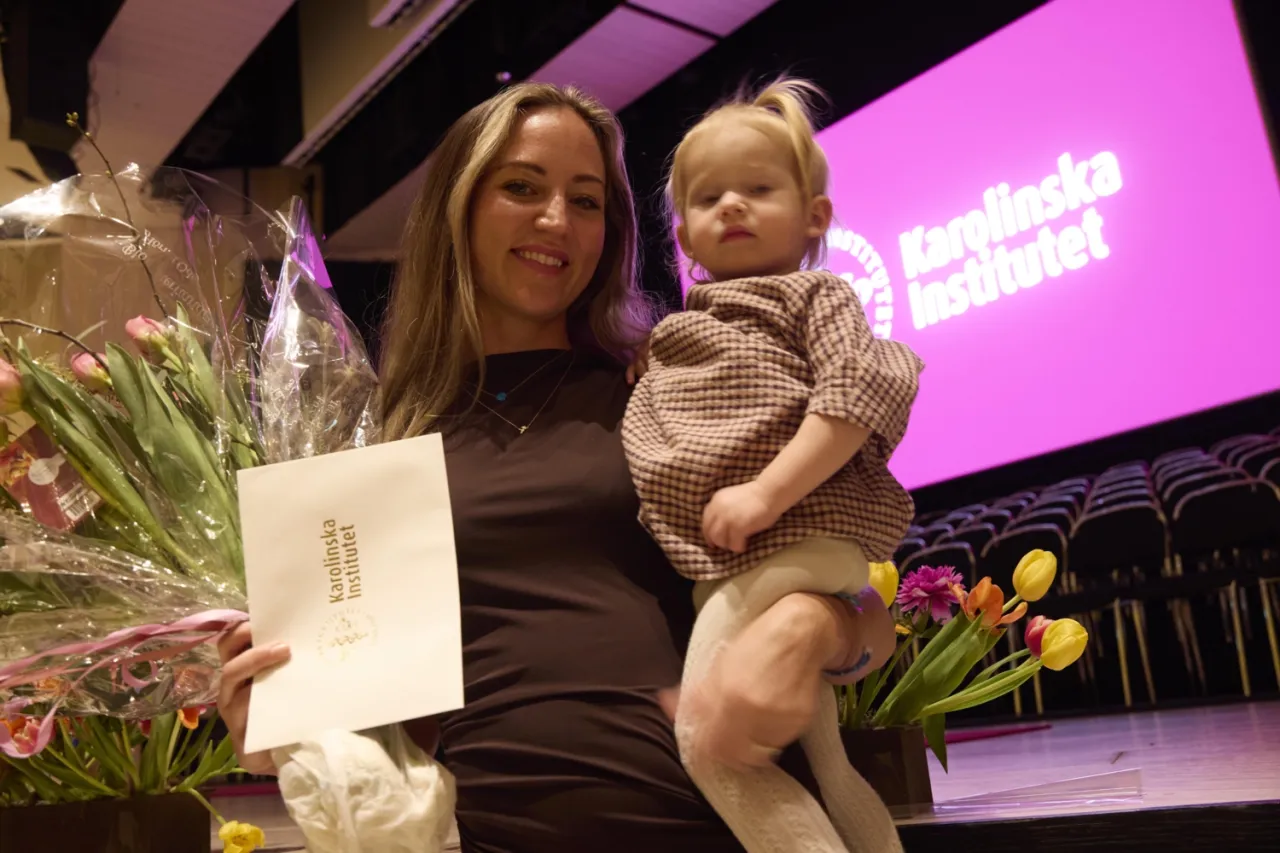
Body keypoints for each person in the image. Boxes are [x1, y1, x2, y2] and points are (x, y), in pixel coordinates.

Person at [217, 82, 897, 853]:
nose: (556, 221)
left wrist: (812, 626)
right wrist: (293, 724)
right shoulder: (378, 443)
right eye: (521, 187)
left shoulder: (669, 386)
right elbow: (398, 723)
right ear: (458, 206)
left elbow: (871, 623)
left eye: (586, 200)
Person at [622, 79, 923, 852]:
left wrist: (765, 492)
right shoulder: (685, 329)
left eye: (758, 189)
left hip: (794, 536)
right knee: (827, 763)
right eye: (709, 196)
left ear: (815, 216)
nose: (732, 205)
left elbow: (854, 396)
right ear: (684, 238)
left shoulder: (816, 294)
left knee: (709, 742)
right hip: (759, 556)